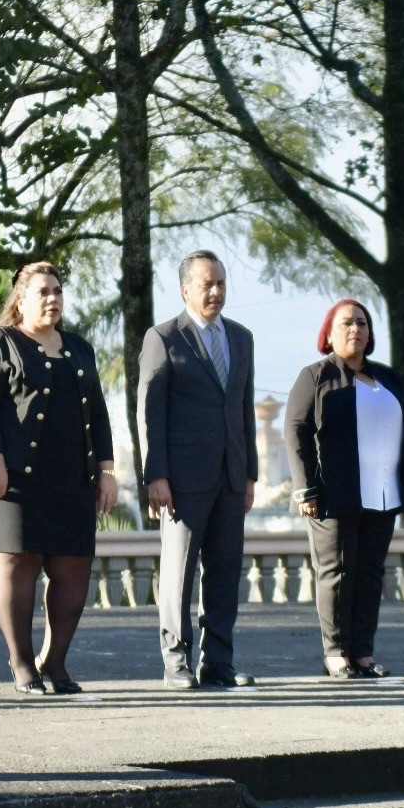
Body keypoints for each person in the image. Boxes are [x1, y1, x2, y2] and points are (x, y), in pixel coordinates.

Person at [0, 262, 116, 696]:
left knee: (73, 568)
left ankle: (55, 661)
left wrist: (106, 471)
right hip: (13, 478)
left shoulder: (78, 348)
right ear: (20, 299)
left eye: (57, 291)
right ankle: (21, 664)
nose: (52, 299)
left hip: (71, 477)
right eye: (42, 292)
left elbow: (98, 414)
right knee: (18, 565)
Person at [138, 249, 258, 690]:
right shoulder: (164, 337)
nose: (215, 291)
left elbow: (243, 408)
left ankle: (218, 662)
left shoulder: (241, 338)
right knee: (179, 573)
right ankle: (176, 662)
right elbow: (150, 413)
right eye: (207, 284)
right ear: (185, 289)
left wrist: (250, 475)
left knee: (226, 572)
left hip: (231, 476)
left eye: (221, 283)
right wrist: (156, 475)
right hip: (183, 480)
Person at [284, 299, 404, 679]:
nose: (355, 329)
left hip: (383, 493)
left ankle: (362, 652)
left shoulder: (388, 379)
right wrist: (304, 489)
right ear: (329, 333)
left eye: (362, 323)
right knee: (337, 571)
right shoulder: (315, 376)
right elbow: (295, 432)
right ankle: (336, 652)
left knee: (370, 573)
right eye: (346, 323)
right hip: (333, 494)